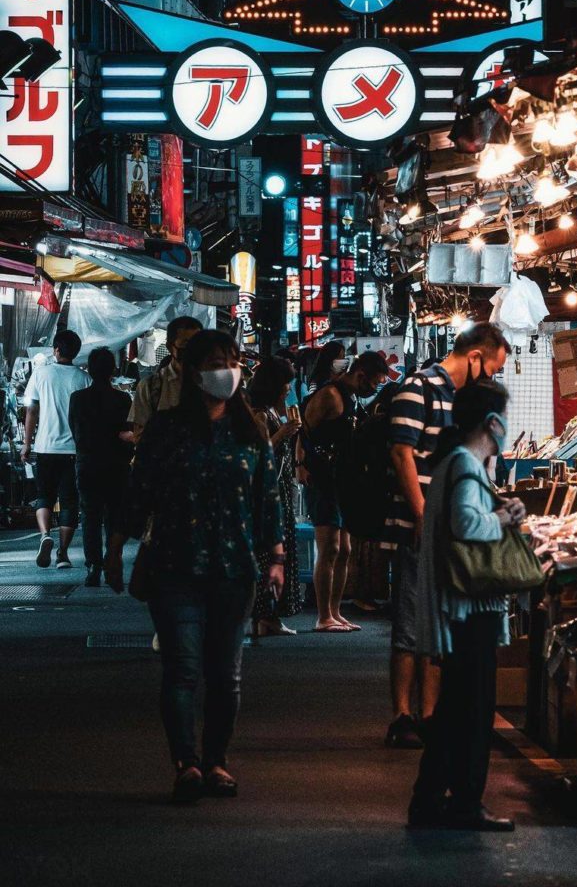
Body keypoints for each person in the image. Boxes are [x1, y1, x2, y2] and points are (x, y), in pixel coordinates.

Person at [131, 329, 285, 803]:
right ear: (194, 373)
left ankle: (216, 760)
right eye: (218, 361)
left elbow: (268, 499)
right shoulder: (166, 428)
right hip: (174, 566)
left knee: (226, 674)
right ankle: (187, 764)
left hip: (234, 568)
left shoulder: (251, 431)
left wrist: (277, 557)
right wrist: (116, 545)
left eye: (233, 360)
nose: (228, 370)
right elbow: (139, 490)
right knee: (182, 669)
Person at [383, 323, 509, 749]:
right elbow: (401, 453)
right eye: (492, 368)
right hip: (422, 524)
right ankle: (402, 714)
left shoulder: (469, 402)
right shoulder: (417, 388)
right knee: (410, 622)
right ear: (475, 357)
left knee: (439, 627)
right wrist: (423, 516)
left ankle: (432, 714)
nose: (492, 377)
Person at [409, 379, 525, 832]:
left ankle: (431, 799)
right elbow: (465, 523)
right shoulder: (464, 464)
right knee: (473, 711)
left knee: (457, 709)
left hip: (457, 609)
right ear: (492, 422)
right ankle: (464, 802)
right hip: (468, 610)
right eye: (504, 418)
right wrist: (503, 517)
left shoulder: (457, 462)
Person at [296, 351, 390, 632]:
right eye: (373, 383)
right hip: (321, 479)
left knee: (345, 549)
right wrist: (300, 464)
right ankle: (323, 615)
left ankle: (335, 612)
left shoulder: (351, 398)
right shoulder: (329, 395)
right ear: (360, 375)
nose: (373, 389)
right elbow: (303, 429)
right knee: (329, 548)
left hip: (344, 480)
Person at [22, 329, 91, 570]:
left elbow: (31, 410)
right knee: (70, 501)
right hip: (74, 449)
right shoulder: (84, 379)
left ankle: (44, 535)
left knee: (45, 496)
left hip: (46, 446)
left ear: (56, 350)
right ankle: (62, 554)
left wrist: (27, 443)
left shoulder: (41, 374)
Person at [68, 348, 132, 590]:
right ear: (113, 370)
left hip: (88, 463)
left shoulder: (78, 398)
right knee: (114, 516)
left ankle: (93, 565)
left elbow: (75, 431)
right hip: (116, 464)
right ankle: (111, 559)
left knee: (90, 516)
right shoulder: (123, 399)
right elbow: (128, 432)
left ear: (90, 370)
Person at [247, 356, 302, 637]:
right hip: (268, 490)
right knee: (270, 551)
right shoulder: (258, 413)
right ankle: (265, 614)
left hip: (278, 485)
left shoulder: (271, 410)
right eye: (285, 384)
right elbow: (258, 452)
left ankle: (268, 616)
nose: (288, 390)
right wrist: (283, 433)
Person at [129, 315, 203, 443]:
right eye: (186, 344)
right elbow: (140, 436)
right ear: (170, 346)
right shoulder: (150, 386)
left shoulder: (212, 384)